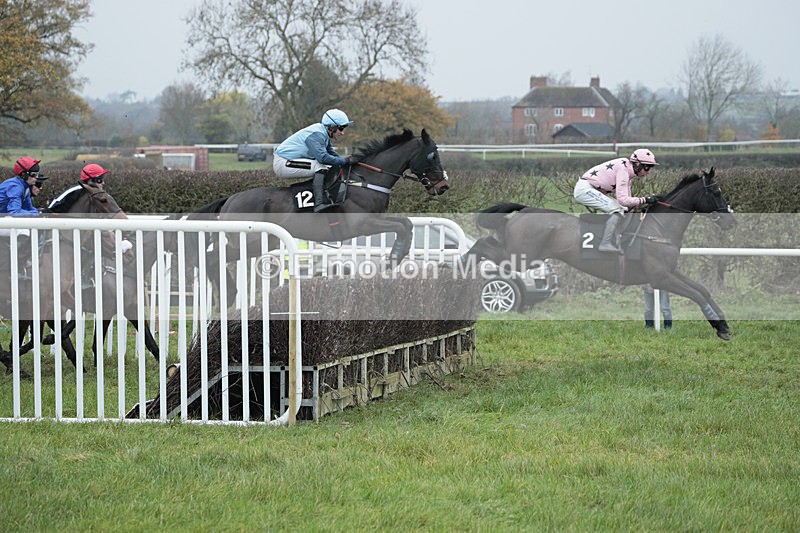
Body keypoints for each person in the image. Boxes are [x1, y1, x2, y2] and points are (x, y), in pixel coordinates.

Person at [574, 148, 662, 253]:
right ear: (637, 164)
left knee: (623, 209)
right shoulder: (623, 170)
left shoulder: (628, 172)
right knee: (617, 209)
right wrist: (645, 200)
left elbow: (627, 204)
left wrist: (644, 204)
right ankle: (605, 243)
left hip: (591, 188)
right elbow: (623, 200)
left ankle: (617, 238)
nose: (648, 172)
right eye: (647, 168)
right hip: (584, 190)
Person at [272, 109, 357, 212]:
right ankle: (319, 204)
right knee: (319, 166)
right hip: (282, 162)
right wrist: (345, 161)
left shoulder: (323, 133)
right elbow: (323, 158)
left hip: (289, 160)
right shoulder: (316, 135)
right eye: (341, 128)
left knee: (329, 166)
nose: (342, 133)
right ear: (331, 127)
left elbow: (331, 154)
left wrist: (346, 161)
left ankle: (327, 195)